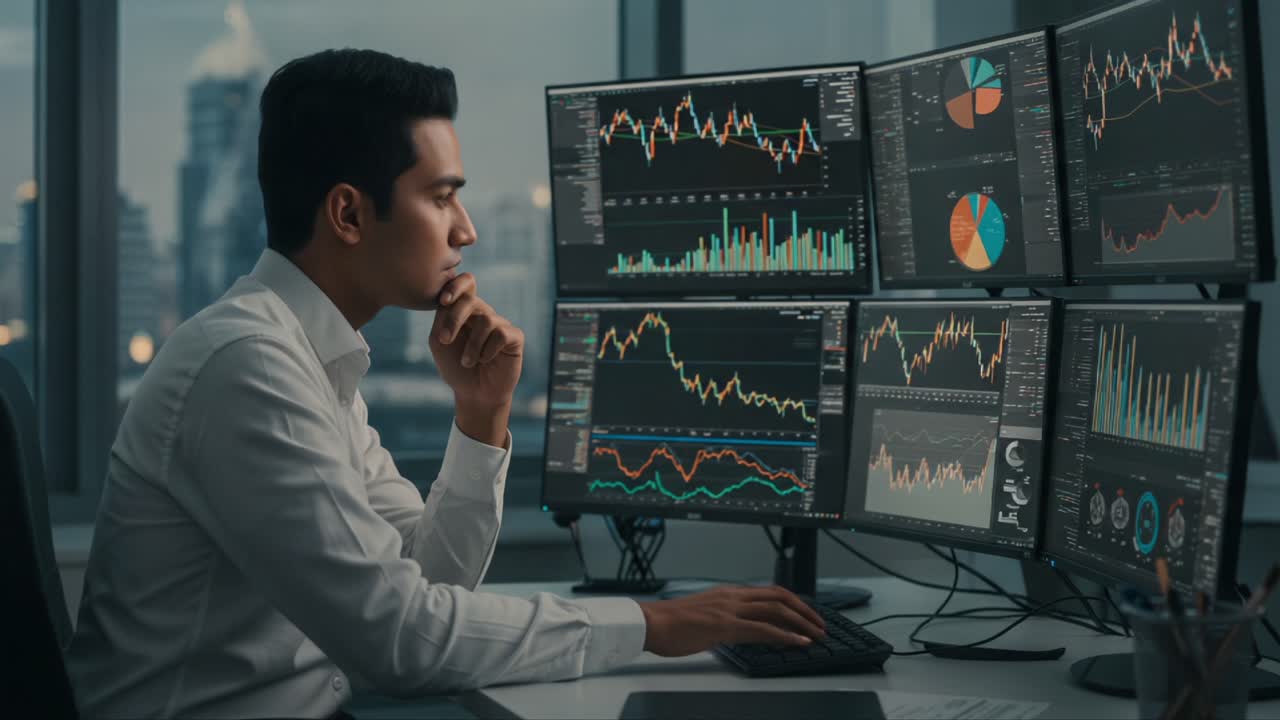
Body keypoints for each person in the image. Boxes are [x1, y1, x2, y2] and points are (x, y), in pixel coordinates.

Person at [66, 49, 825, 718]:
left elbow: (429, 584)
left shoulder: (312, 362)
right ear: (348, 214)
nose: (466, 230)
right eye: (440, 196)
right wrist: (657, 626)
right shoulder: (247, 367)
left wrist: (481, 414)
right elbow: (402, 643)